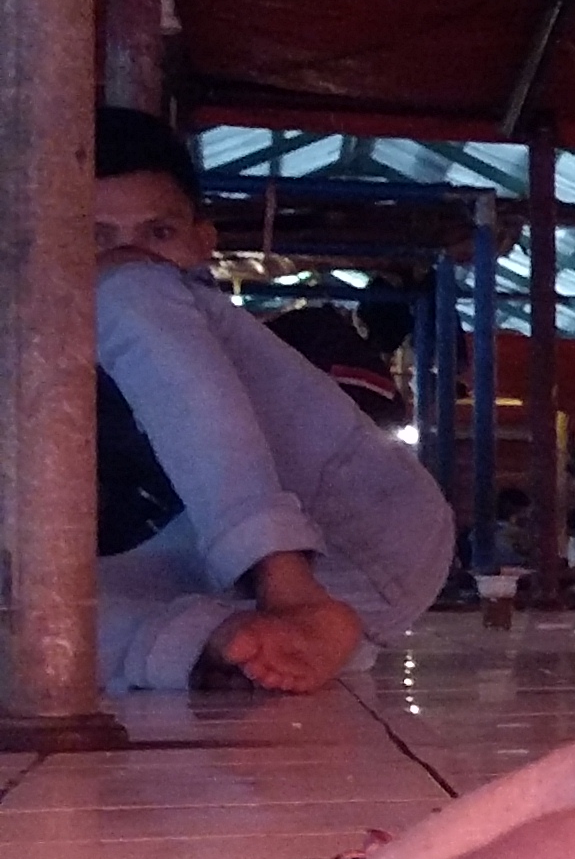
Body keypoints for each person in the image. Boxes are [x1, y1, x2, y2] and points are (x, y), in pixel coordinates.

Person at [91, 109, 456, 692]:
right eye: (95, 238)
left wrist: (286, 584)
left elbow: (133, 291)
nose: (126, 255)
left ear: (203, 244)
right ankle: (227, 640)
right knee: (33, 625)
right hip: (233, 598)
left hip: (362, 532)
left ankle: (288, 588)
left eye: (158, 234)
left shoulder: (150, 297)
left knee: (128, 291)